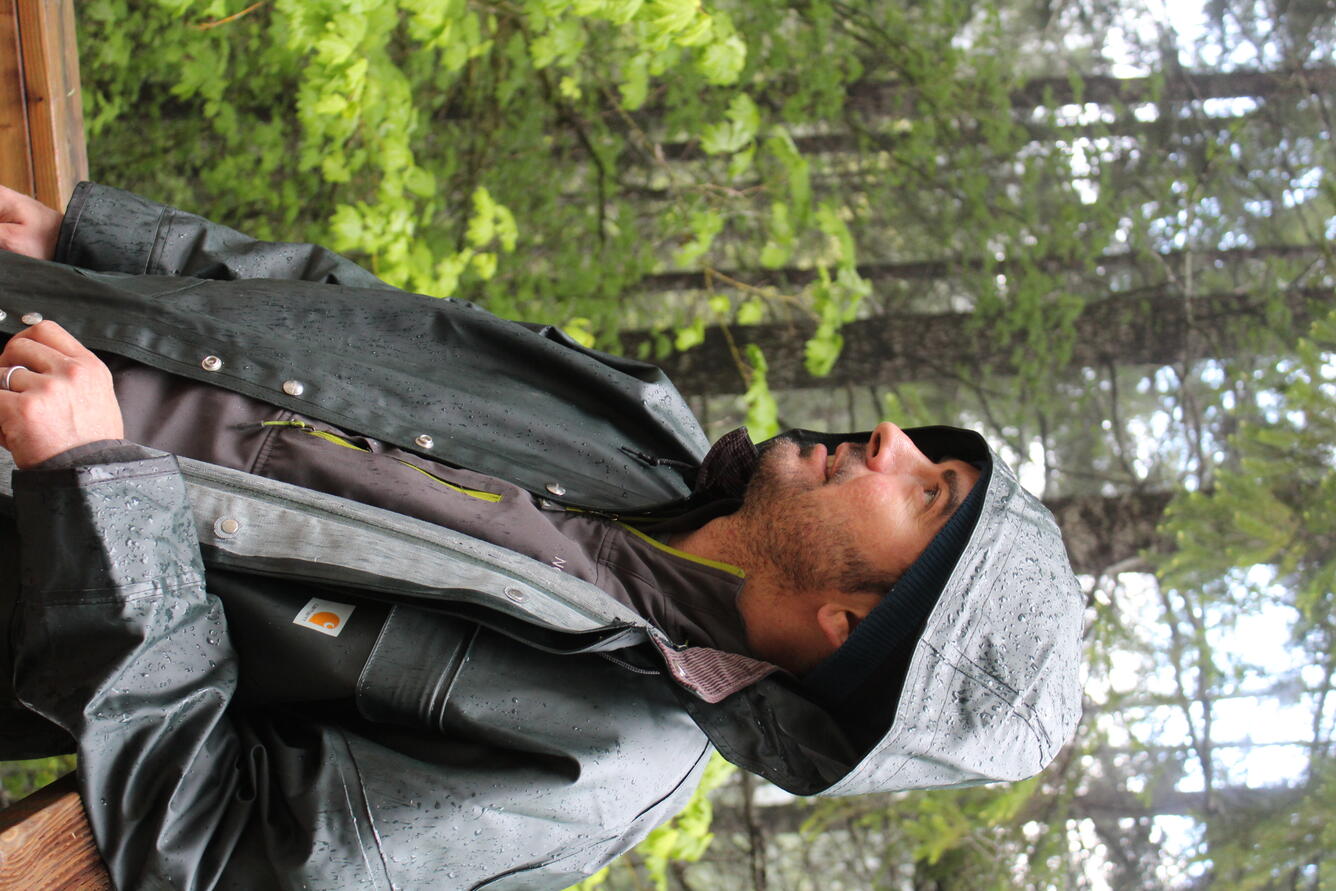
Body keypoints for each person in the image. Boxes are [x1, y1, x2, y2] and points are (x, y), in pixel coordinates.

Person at [0, 183, 1084, 890]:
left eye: (926, 494)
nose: (893, 437)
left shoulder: (593, 767)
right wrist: (104, 243)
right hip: (37, 311)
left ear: (854, 623)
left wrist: (94, 490)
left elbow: (211, 848)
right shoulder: (645, 427)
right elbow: (362, 315)